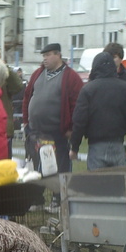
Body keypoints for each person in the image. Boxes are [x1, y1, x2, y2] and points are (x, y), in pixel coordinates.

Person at [22, 42, 83, 210]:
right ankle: (37, 199)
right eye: (43, 56)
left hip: (58, 133)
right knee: (37, 167)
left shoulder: (71, 77)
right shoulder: (37, 74)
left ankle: (58, 199)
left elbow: (77, 104)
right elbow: (28, 97)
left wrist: (71, 128)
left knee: (59, 167)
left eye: (48, 55)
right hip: (36, 131)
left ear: (58, 55)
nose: (45, 59)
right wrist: (26, 121)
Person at [69, 52, 126, 169]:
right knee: (120, 184)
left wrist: (75, 148)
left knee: (97, 185)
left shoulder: (88, 90)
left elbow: (79, 122)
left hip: (96, 145)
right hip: (118, 144)